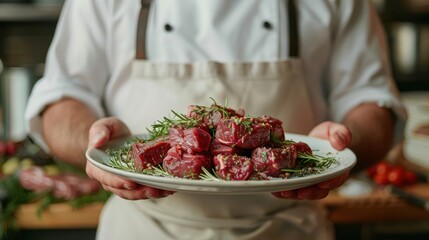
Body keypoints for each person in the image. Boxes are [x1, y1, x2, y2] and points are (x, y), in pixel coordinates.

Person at [25, 0, 407, 239]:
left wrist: (341, 147)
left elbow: (372, 102)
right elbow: (62, 98)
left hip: (289, 229)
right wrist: (97, 146)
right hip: (141, 229)